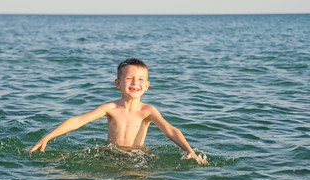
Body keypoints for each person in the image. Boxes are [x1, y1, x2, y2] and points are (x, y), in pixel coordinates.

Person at [29, 58, 207, 165]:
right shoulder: (110, 108)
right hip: (110, 154)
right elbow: (78, 121)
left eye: (140, 80)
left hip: (139, 155)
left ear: (146, 86)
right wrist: (47, 137)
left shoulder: (148, 111)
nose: (135, 83)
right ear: (118, 83)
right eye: (129, 78)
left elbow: (170, 130)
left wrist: (189, 150)